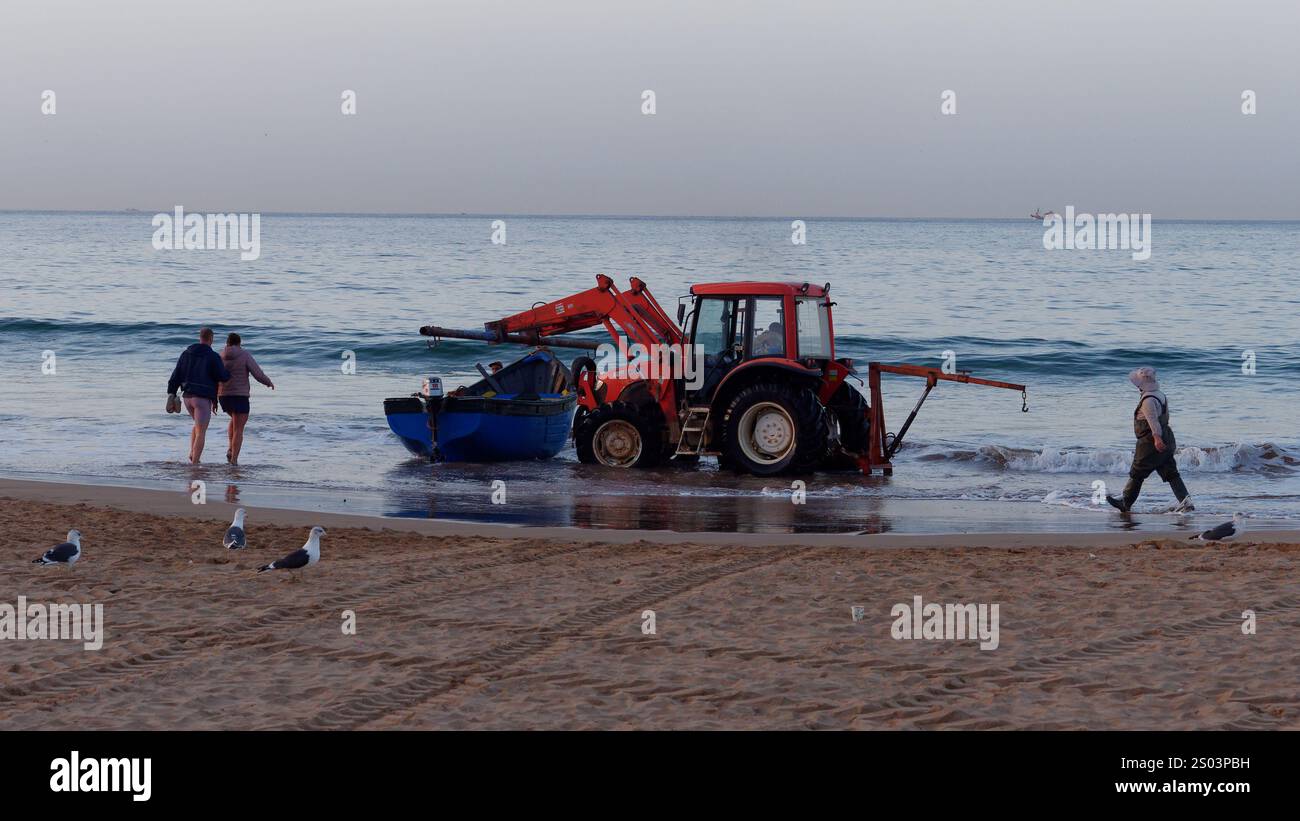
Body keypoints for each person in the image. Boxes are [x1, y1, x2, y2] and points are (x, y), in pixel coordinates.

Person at [1107, 366, 1194, 512]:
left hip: (1150, 441)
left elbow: (1153, 422)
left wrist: (1157, 439)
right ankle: (1186, 501)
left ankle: (1126, 502)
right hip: (1167, 437)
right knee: (1170, 472)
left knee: (1137, 472)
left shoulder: (1148, 401)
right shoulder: (1159, 394)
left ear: (1141, 385)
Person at [168, 327, 231, 464]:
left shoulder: (186, 354)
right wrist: (229, 372)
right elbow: (222, 376)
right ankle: (195, 463)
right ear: (211, 339)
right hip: (202, 398)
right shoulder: (213, 356)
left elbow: (176, 374)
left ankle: (192, 454)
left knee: (197, 426)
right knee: (201, 431)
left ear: (200, 337)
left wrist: (172, 392)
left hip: (187, 397)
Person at [218, 332, 275, 465]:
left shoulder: (220, 356)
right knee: (239, 428)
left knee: (234, 419)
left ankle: (230, 449)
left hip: (223, 396)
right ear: (239, 343)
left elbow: (215, 375)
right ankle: (234, 460)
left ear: (227, 343)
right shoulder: (244, 355)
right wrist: (268, 382)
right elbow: (257, 373)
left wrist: (214, 397)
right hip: (240, 396)